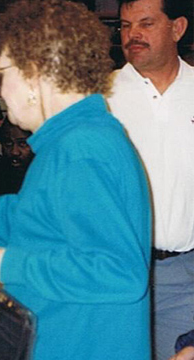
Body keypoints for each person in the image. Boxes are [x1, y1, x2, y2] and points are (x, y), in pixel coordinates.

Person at [0, 0, 151, 359]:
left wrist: (0, 263)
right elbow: (30, 218)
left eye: (1, 74)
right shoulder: (72, 139)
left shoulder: (82, 147)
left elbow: (120, 273)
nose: (0, 91)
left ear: (34, 71)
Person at [107, 0, 194, 358]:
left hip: (184, 277)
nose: (133, 35)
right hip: (113, 272)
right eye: (126, 26)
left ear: (178, 28)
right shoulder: (99, 95)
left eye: (146, 23)